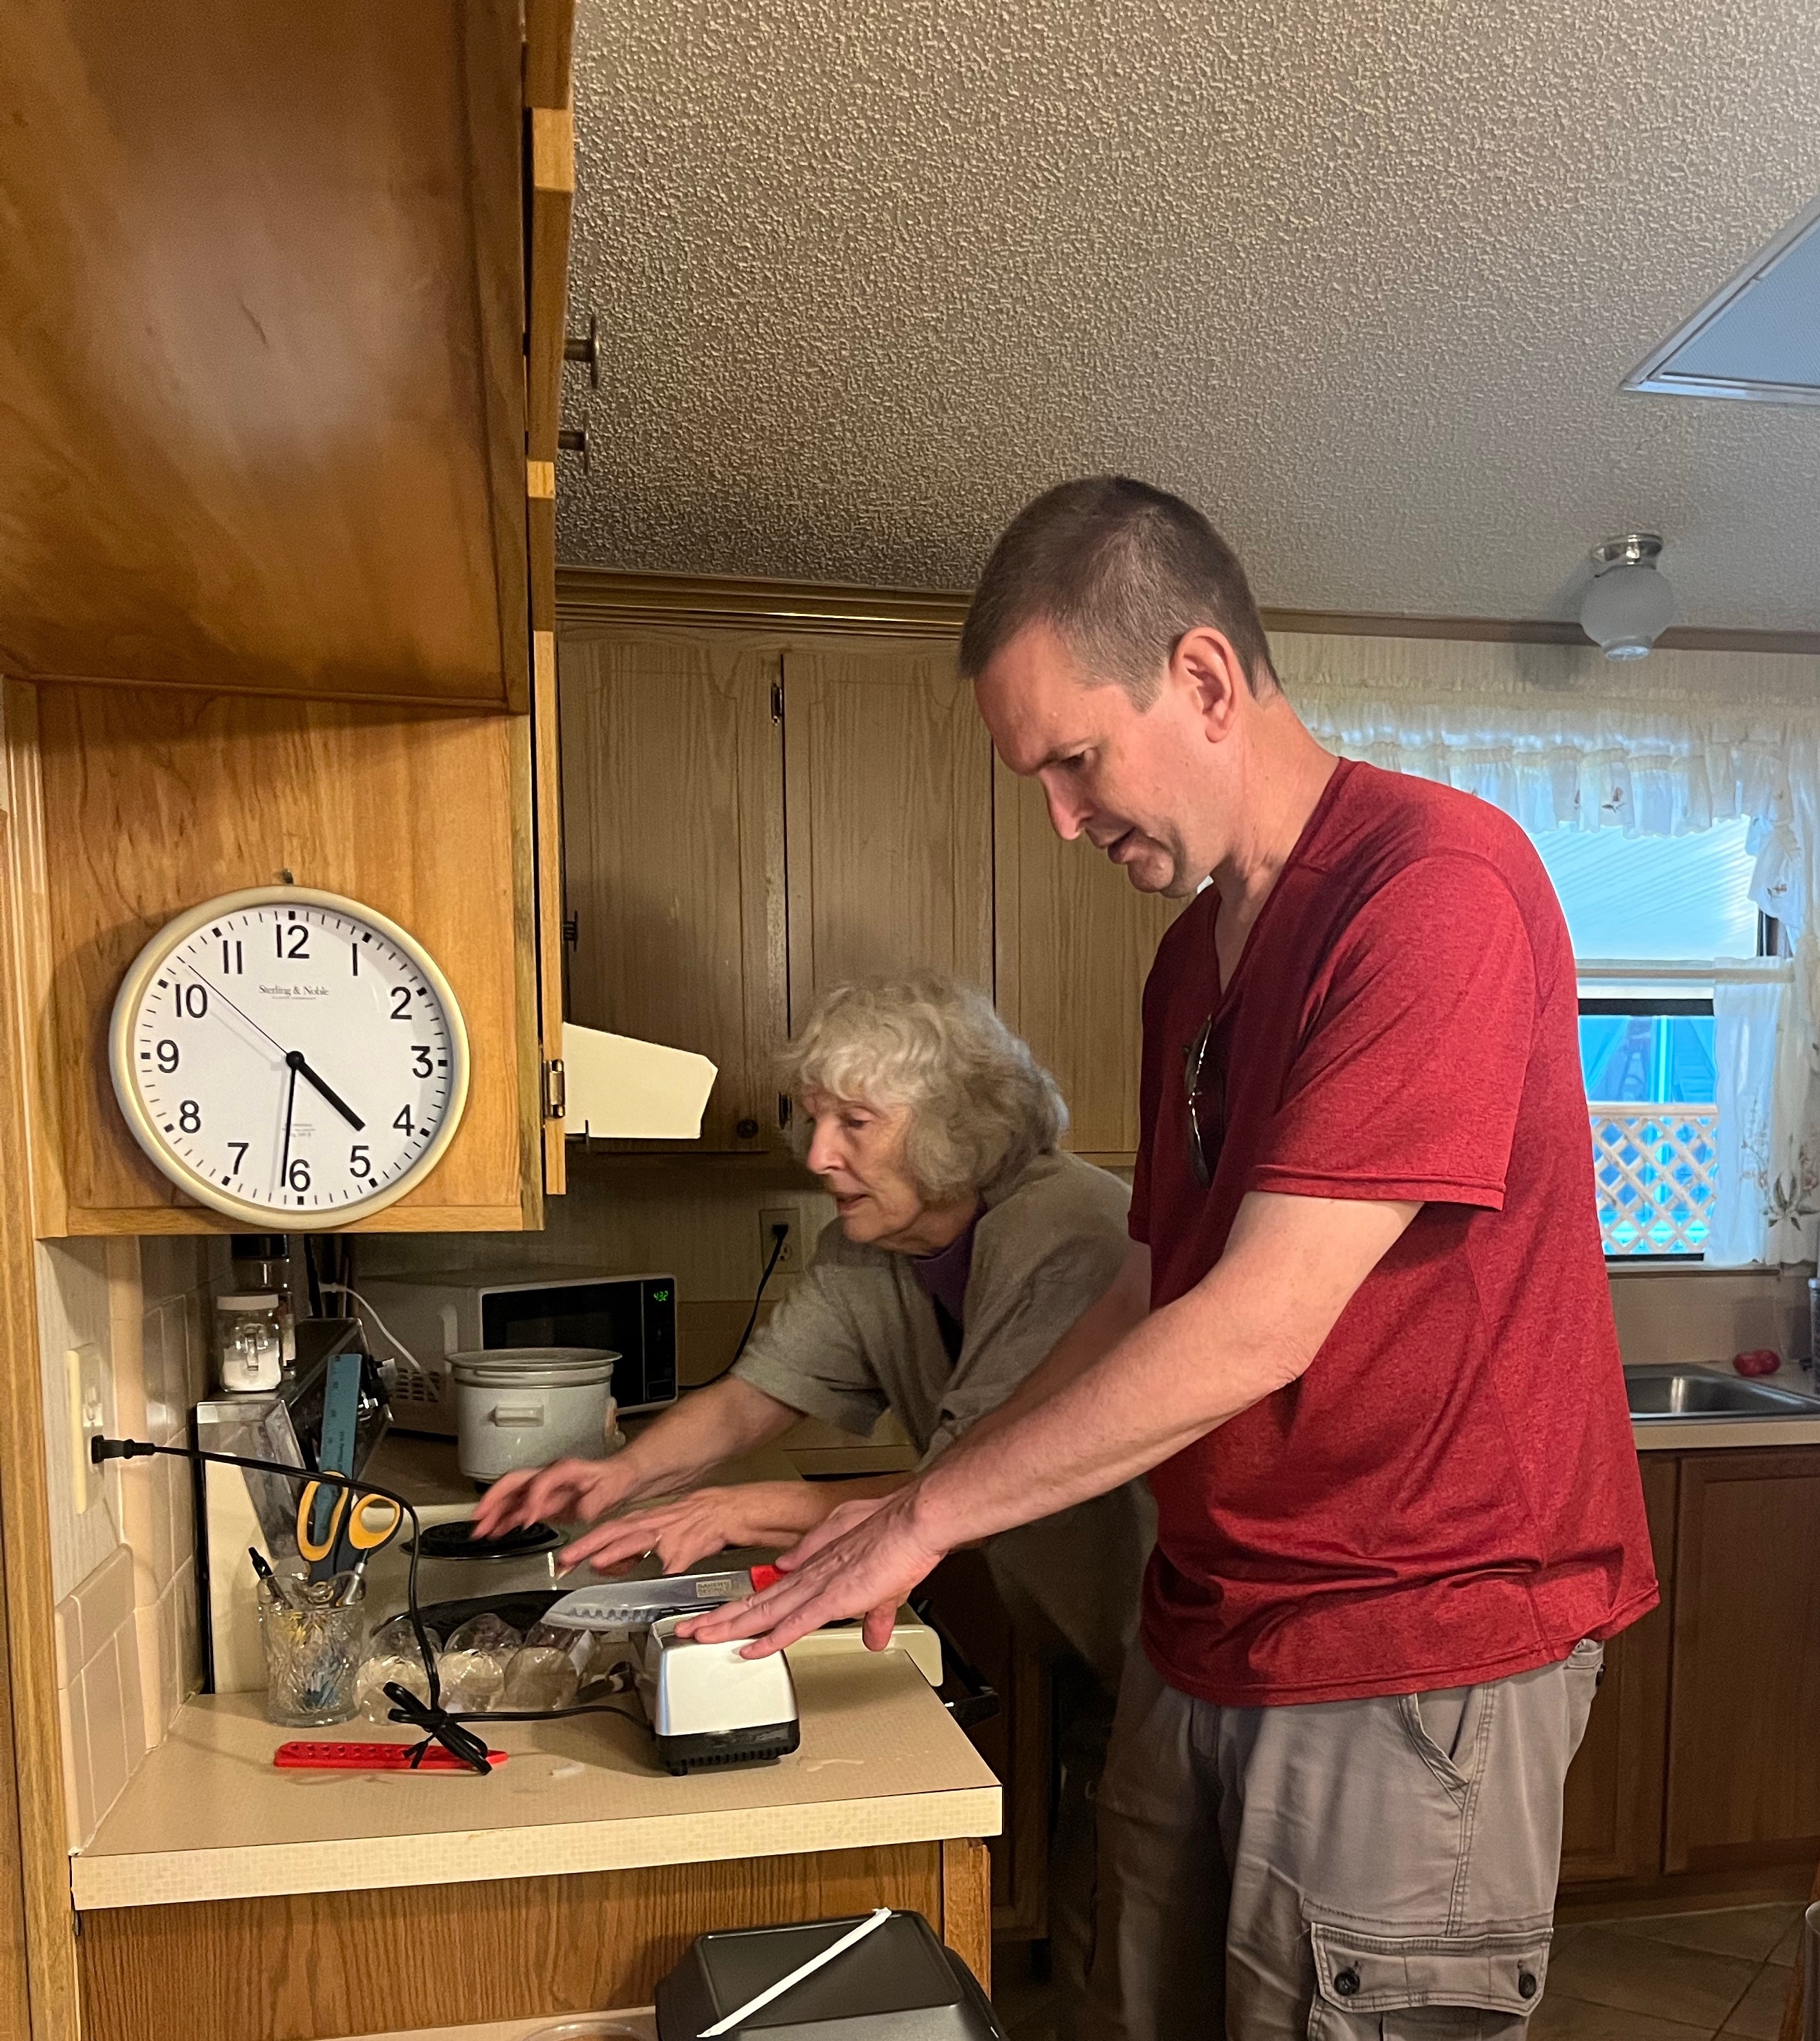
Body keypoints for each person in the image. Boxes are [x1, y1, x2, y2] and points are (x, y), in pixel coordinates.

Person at [680, 477, 1659, 2041]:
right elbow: (1151, 1288)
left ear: (1203, 678)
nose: (1062, 820)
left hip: (1406, 1645)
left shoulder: (1433, 890)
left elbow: (1258, 1322)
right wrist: (921, 1502)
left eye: (1074, 762)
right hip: (1202, 1624)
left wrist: (923, 1514)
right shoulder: (1188, 968)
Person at [475, 970, 1153, 2031]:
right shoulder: (876, 1244)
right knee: (1098, 1927)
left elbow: (979, 1481)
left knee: (1135, 1952)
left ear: (956, 1126)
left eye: (854, 1124)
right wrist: (619, 1476)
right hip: (1091, 1644)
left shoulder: (1067, 1233)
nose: (816, 1154)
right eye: (813, 1118)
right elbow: (755, 1399)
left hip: (1165, 1640)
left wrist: (733, 1513)